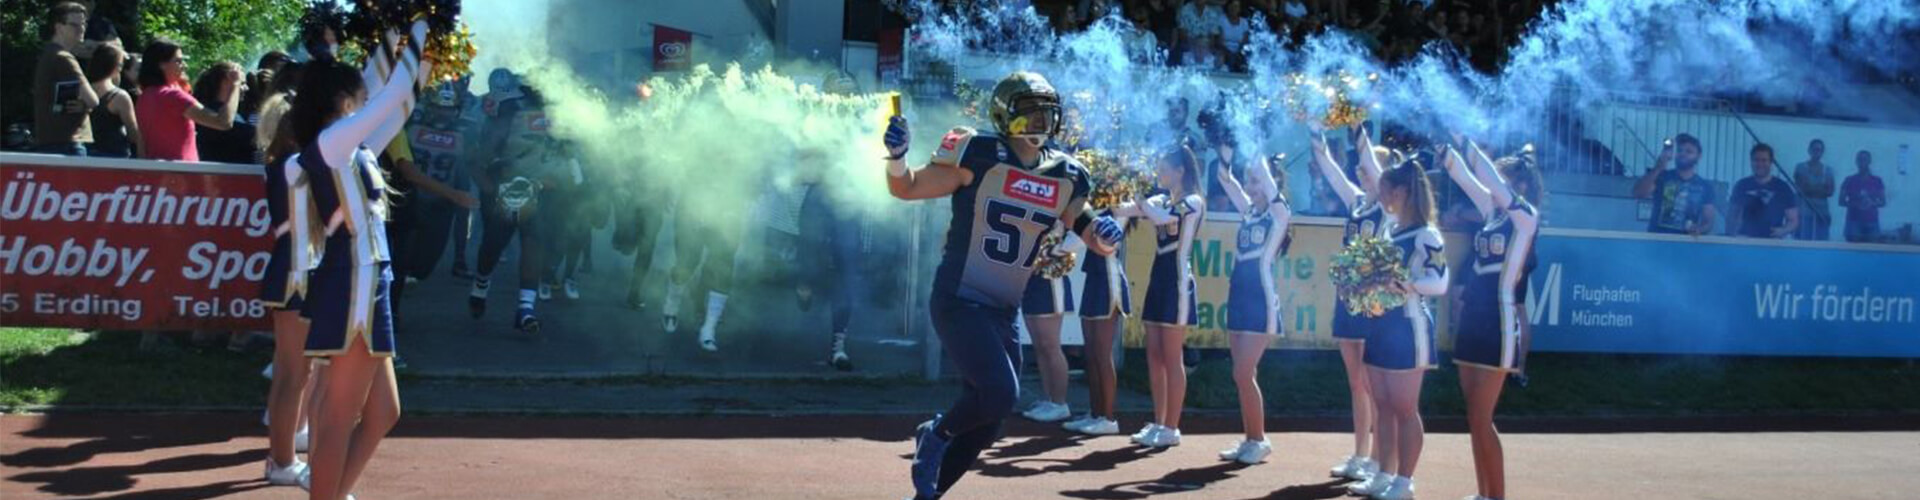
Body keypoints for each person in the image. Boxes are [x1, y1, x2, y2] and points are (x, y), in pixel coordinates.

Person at [883, 71, 1123, 500]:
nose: (1040, 121)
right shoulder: (977, 152)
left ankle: (928, 495)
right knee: (999, 392)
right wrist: (898, 158)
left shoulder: (1066, 173)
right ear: (1005, 114)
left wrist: (1106, 236)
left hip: (1002, 309)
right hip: (960, 298)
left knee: (991, 418)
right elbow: (907, 189)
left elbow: (1091, 235)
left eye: (1046, 112)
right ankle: (934, 435)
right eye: (1029, 111)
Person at [286, 22, 430, 500]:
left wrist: (429, 49)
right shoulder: (333, 143)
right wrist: (423, 23)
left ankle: (334, 492)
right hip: (357, 278)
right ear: (343, 97)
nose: (366, 95)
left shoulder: (351, 143)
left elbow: (402, 103)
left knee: (383, 412)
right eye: (359, 90)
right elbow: (390, 97)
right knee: (337, 416)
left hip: (369, 279)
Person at [1442, 140, 1544, 500]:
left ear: (1521, 186)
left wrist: (1471, 148)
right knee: (1473, 416)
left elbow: (1483, 176)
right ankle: (1484, 493)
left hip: (1499, 323)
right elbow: (1469, 179)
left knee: (1482, 417)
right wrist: (1449, 147)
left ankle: (1496, 497)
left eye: (1502, 179)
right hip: (1472, 316)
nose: (1493, 185)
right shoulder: (1493, 214)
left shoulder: (1525, 218)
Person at [1347, 158, 1447, 500]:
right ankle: (1383, 473)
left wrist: (1408, 283)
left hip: (1408, 327)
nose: (1382, 194)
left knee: (1405, 408)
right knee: (1383, 405)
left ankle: (1405, 481)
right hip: (1379, 325)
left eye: (1387, 189)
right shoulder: (1389, 230)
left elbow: (1441, 282)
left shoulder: (1426, 234)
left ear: (1403, 191)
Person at [1114, 145, 1206, 449]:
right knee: (1153, 354)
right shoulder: (1162, 199)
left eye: (1165, 169)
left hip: (1178, 283)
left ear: (1181, 171)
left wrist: (1140, 199)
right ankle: (1158, 420)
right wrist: (1110, 192)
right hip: (1159, 279)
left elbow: (1160, 219)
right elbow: (1126, 209)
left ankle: (1172, 426)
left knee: (1171, 355)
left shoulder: (1192, 202)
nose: (1160, 174)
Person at [1311, 126, 1389, 483]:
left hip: (1373, 302)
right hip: (1347, 298)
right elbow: (1328, 167)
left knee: (1373, 382)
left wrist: (1358, 128)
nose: (1361, 170)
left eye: (1367, 168)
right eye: (1359, 168)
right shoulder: (1357, 201)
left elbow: (1371, 163)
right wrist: (1316, 132)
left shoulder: (1389, 210)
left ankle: (1377, 459)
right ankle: (1360, 453)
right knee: (1357, 383)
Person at [1211, 154, 1293, 464]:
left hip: (1261, 297)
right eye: (1250, 180)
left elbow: (1271, 192)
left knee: (1242, 371)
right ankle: (1250, 438)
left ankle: (1259, 440)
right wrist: (1226, 147)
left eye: (1257, 180)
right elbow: (1224, 177)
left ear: (1271, 183)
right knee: (1244, 375)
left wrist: (1257, 144)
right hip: (1238, 296)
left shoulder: (1279, 213)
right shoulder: (1247, 211)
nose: (1250, 186)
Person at [470, 70, 556, 334]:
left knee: (534, 240)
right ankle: (481, 283)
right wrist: (487, 184)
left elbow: (562, 151)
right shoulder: (506, 111)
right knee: (494, 244)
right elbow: (480, 155)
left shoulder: (554, 116)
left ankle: (525, 308)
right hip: (504, 187)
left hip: (535, 187)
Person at [398, 81, 482, 298]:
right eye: (438, 107)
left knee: (425, 267)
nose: (442, 113)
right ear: (428, 105)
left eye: (447, 109)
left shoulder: (466, 132)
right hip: (411, 198)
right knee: (400, 257)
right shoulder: (409, 123)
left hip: (440, 203)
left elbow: (467, 168)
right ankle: (394, 303)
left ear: (456, 110)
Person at [135, 39, 240, 161]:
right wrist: (235, 85)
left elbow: (141, 143)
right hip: (182, 173)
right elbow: (223, 122)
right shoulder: (173, 96)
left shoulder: (144, 96)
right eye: (178, 61)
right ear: (161, 64)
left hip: (154, 170)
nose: (184, 65)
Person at [1018, 245, 1079, 423]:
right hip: (1032, 281)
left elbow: (1077, 239)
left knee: (1050, 345)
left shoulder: (1062, 219)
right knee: (1040, 346)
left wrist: (1049, 253)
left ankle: (1060, 403)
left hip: (1052, 280)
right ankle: (1048, 399)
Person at [33, 2, 98, 155]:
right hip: (68, 143)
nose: (81, 29)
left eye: (83, 24)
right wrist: (86, 105)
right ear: (59, 27)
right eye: (74, 25)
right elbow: (93, 100)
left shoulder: (49, 53)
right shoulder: (63, 58)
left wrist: (82, 105)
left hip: (51, 140)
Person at [1634, 133, 1718, 236]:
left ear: (1698, 156)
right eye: (1679, 150)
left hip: (1686, 243)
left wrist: (1699, 229)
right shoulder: (1661, 177)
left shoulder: (1705, 186)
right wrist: (1659, 166)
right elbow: (1638, 193)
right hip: (1657, 241)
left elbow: (1708, 221)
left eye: (1689, 151)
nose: (1683, 154)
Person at [1726, 143, 1799, 239]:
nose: (1760, 164)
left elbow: (1793, 220)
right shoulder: (1741, 185)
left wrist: (1783, 231)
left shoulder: (1783, 188)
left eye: (1764, 160)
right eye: (1756, 160)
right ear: (1751, 161)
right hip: (1745, 240)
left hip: (1773, 242)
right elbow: (1732, 215)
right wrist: (1731, 238)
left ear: (1771, 162)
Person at [192, 61, 261, 164]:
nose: (247, 88)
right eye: (242, 84)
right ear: (225, 82)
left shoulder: (234, 114)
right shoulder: (210, 113)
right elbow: (248, 135)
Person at [84, 43, 140, 158]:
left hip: (87, 153)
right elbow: (133, 135)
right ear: (117, 67)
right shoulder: (119, 97)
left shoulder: (83, 91)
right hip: (115, 155)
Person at [1792, 139, 1835, 241]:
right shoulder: (1800, 167)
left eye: (1819, 150)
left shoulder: (1828, 170)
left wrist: (1810, 187)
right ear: (1809, 150)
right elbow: (1801, 188)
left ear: (1822, 152)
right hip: (1804, 212)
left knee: (1821, 241)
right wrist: (1821, 188)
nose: (1817, 152)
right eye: (1814, 149)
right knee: (1802, 240)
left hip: (1822, 212)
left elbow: (1830, 191)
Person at [1841, 150, 1886, 243]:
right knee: (1853, 252)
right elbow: (1841, 201)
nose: (1862, 162)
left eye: (1865, 159)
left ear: (1869, 161)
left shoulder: (1877, 181)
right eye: (1860, 160)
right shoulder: (1849, 180)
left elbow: (1883, 202)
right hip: (1853, 222)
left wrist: (1871, 203)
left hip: (1872, 222)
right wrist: (1856, 205)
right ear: (1856, 162)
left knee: (1871, 252)